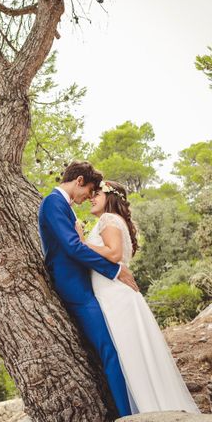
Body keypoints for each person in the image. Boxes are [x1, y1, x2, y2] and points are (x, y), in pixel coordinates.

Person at [76, 179, 201, 414]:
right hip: (114, 295)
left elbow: (113, 254)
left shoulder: (108, 219)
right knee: (134, 355)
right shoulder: (111, 221)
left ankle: (148, 411)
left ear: (110, 197)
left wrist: (81, 243)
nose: (92, 198)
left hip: (116, 298)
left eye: (97, 194)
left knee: (130, 355)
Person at [38, 161, 136, 417]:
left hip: (82, 286)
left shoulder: (61, 206)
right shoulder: (53, 203)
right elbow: (73, 247)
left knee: (109, 350)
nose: (87, 198)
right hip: (75, 289)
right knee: (109, 351)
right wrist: (114, 270)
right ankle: (127, 415)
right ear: (79, 181)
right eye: (89, 190)